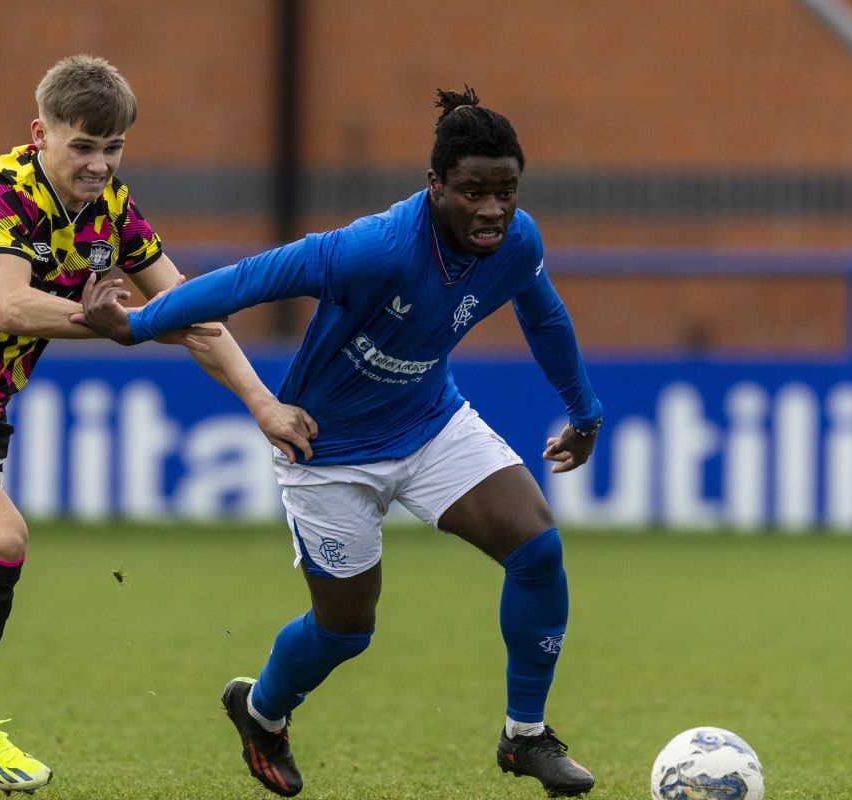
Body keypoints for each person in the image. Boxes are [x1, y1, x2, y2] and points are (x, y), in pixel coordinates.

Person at [78, 86, 603, 798]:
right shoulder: (377, 247)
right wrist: (139, 325)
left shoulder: (518, 240)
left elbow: (545, 317)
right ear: (434, 186)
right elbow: (251, 279)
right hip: (328, 450)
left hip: (430, 421)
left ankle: (526, 737)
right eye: (473, 192)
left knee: (537, 548)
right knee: (347, 631)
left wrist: (583, 408)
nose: (492, 209)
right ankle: (260, 711)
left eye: (506, 191)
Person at [0, 54, 316, 798]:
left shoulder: (113, 210)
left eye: (113, 148)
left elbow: (188, 313)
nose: (98, 164)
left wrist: (263, 404)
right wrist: (119, 323)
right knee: (3, 536)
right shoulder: (4, 190)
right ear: (41, 134)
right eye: (82, 146)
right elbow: (12, 306)